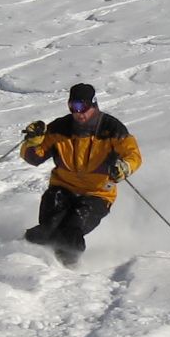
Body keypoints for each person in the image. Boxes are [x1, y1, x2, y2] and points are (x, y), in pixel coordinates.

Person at [20, 83, 141, 266]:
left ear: (94, 104)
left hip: (97, 194)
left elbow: (133, 154)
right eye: (73, 107)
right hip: (62, 188)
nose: (79, 113)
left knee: (70, 231)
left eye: (83, 107)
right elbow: (34, 158)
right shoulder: (60, 128)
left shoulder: (111, 129)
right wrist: (32, 142)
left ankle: (69, 269)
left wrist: (125, 167)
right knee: (48, 230)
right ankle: (22, 257)